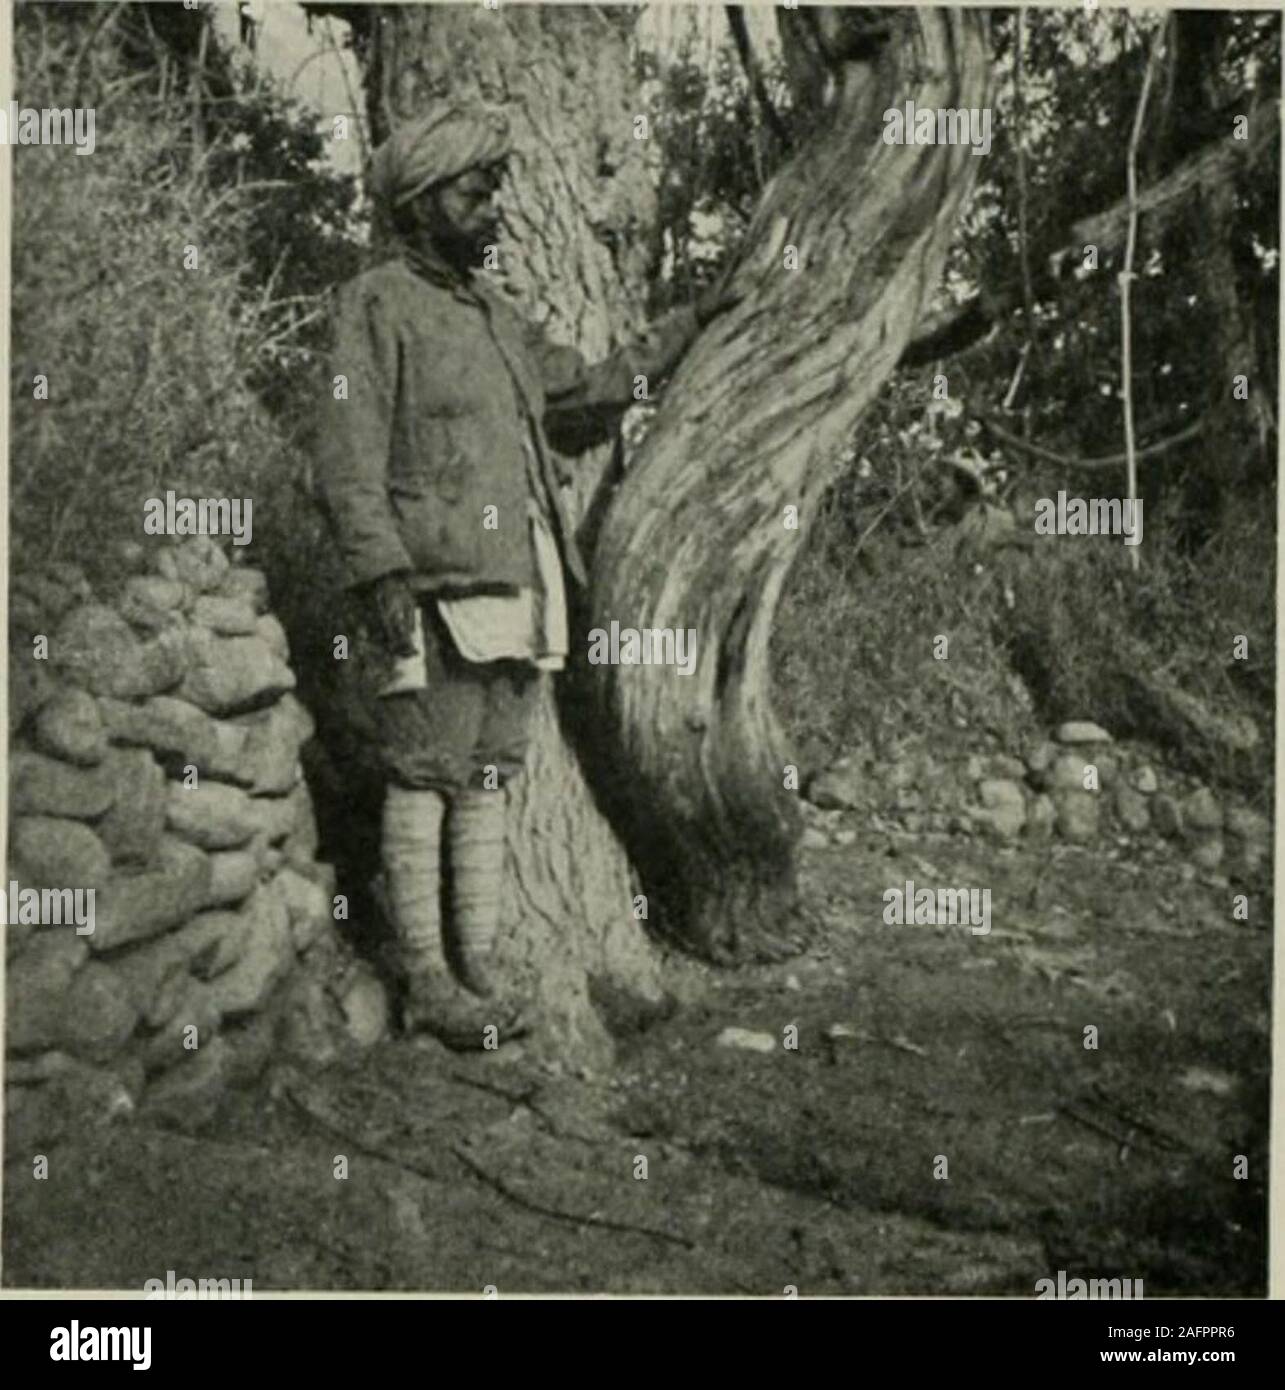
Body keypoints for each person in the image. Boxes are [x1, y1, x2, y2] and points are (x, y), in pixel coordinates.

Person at [316, 98, 737, 1049]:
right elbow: (344, 456)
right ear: (419, 203)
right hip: (423, 586)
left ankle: (480, 965)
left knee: (485, 777)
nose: (491, 211)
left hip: (515, 582)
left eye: (494, 192)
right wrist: (379, 575)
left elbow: (586, 393)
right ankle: (426, 978)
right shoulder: (376, 304)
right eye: (474, 193)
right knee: (422, 775)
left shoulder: (496, 315)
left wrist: (690, 325)